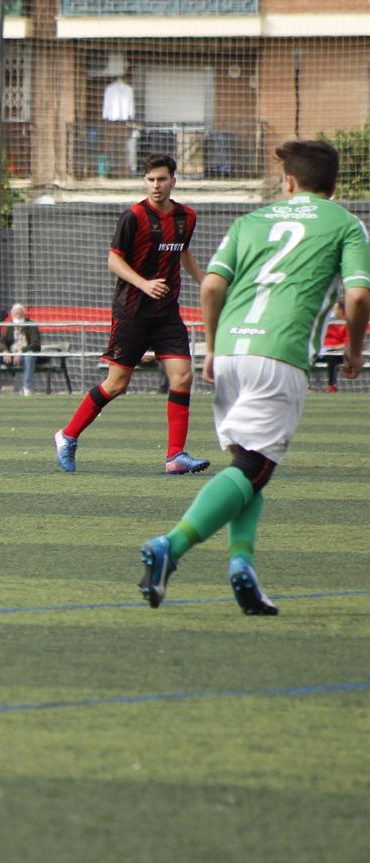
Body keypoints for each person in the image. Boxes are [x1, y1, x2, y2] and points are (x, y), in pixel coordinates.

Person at [139, 140, 370, 615]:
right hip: (279, 354)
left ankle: (242, 565)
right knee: (254, 467)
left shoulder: (250, 221)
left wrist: (213, 348)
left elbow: (211, 285)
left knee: (247, 465)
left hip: (233, 352)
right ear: (333, 185)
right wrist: (353, 350)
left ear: (289, 182)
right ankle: (171, 546)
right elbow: (359, 298)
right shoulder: (346, 224)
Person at [55, 155, 209, 475]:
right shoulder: (134, 216)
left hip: (166, 312)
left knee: (183, 376)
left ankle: (175, 456)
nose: (156, 185)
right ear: (144, 181)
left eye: (162, 179)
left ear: (173, 181)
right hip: (132, 311)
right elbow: (114, 261)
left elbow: (183, 254)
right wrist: (144, 283)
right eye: (151, 179)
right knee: (116, 385)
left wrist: (207, 282)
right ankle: (67, 435)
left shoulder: (186, 217)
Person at [0, 303, 41, 396]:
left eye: (20, 313)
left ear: (24, 314)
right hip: (10, 356)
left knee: (29, 355)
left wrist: (22, 351)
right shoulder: (10, 326)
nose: (18, 316)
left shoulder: (32, 325)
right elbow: (1, 343)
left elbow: (36, 344)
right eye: (15, 314)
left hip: (24, 356)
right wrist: (5, 351)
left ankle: (27, 388)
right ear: (12, 315)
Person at [318, 300, 347, 392]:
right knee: (308, 358)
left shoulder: (346, 324)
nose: (333, 311)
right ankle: (306, 386)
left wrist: (332, 348)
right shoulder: (328, 324)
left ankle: (332, 386)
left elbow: (347, 343)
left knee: (332, 359)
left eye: (335, 309)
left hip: (338, 353)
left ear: (341, 310)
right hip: (323, 351)